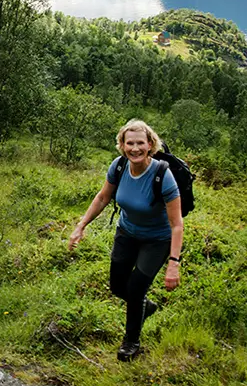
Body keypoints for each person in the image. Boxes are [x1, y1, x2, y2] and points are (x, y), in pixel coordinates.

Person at [68, 119, 183, 361]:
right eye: (129, 143)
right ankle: (146, 307)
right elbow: (102, 198)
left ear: (150, 144)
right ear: (122, 144)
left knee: (135, 289)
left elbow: (176, 224)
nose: (135, 148)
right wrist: (80, 226)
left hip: (157, 240)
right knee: (117, 286)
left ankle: (131, 342)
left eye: (140, 143)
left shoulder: (163, 175)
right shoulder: (118, 166)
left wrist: (174, 262)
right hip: (127, 233)